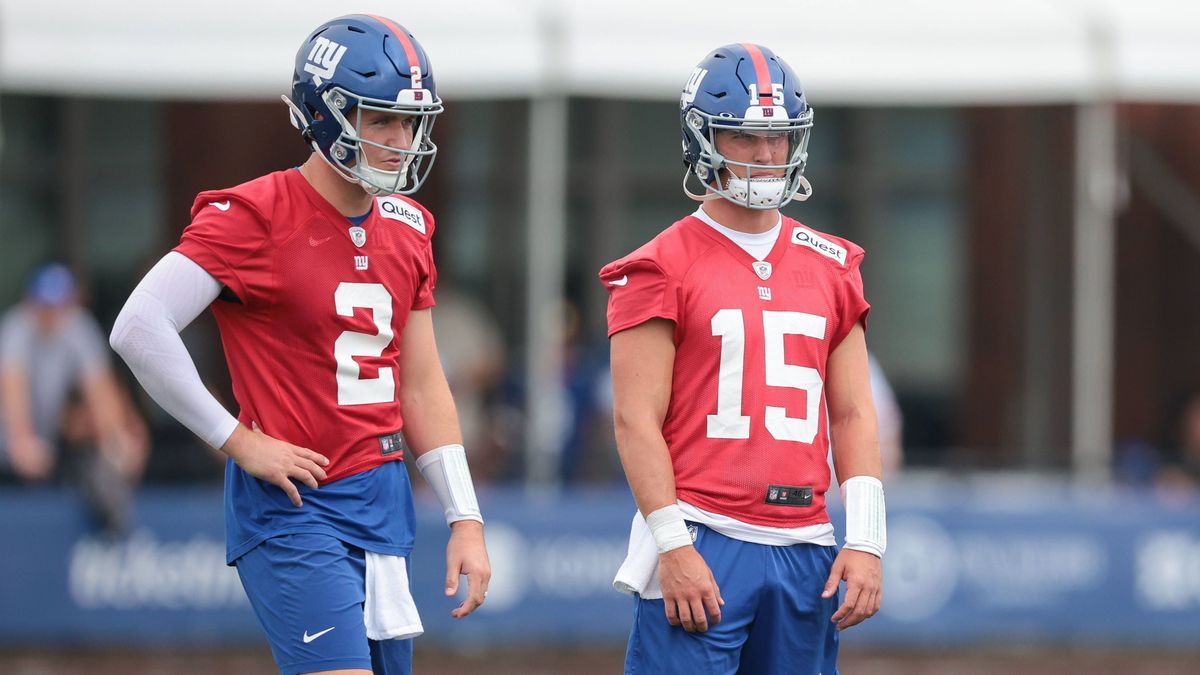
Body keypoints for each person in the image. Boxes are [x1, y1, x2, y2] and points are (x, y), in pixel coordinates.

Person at [109, 15, 490, 675]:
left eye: (410, 122)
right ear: (324, 113)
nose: (401, 141)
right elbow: (138, 326)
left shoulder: (408, 225)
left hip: (383, 504)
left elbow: (423, 384)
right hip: (295, 508)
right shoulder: (254, 215)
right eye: (381, 121)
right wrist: (236, 438)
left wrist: (466, 516)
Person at [602, 44, 886, 673]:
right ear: (703, 139)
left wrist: (866, 537)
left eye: (779, 138)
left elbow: (854, 412)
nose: (766, 155)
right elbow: (634, 420)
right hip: (704, 531)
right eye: (747, 136)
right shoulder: (659, 264)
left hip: (805, 542)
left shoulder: (833, 264)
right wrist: (670, 544)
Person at [0, 263, 148, 532]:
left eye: (58, 305)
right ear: (31, 301)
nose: (51, 314)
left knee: (94, 461)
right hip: (8, 436)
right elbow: (13, 388)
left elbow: (100, 389)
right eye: (45, 305)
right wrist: (20, 440)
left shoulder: (77, 326)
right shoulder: (16, 328)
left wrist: (114, 440)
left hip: (43, 441)